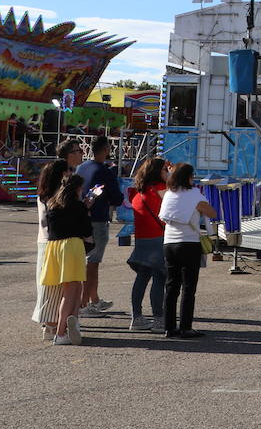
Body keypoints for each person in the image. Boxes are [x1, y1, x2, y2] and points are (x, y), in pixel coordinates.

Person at [158, 163, 217, 339]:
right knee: (188, 287)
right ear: (189, 177)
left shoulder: (169, 194)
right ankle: (185, 327)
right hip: (189, 243)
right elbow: (211, 212)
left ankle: (169, 327)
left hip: (169, 243)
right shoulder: (194, 194)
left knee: (171, 287)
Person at [42, 171, 97, 345]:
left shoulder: (52, 204)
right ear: (78, 188)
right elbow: (86, 231)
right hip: (72, 246)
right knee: (71, 291)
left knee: (72, 289)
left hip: (54, 247)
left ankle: (70, 323)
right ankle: (61, 332)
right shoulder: (78, 206)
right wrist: (86, 209)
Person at [74, 137, 124, 315]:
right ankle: (85, 303)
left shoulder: (81, 168)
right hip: (98, 219)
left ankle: (93, 298)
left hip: (80, 218)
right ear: (105, 149)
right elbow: (117, 198)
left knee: (83, 261)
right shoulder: (104, 171)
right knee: (92, 263)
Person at [127, 157, 168, 331]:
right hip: (157, 239)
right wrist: (173, 174)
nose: (168, 173)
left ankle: (136, 317)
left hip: (142, 239)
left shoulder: (138, 193)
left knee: (142, 277)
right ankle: (159, 318)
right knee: (160, 278)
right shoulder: (160, 190)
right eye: (165, 170)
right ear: (158, 172)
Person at [32, 160, 70, 340]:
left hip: (44, 240)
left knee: (46, 283)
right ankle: (52, 324)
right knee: (54, 284)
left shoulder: (43, 194)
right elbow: (45, 220)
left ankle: (48, 324)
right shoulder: (55, 195)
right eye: (67, 171)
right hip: (53, 240)